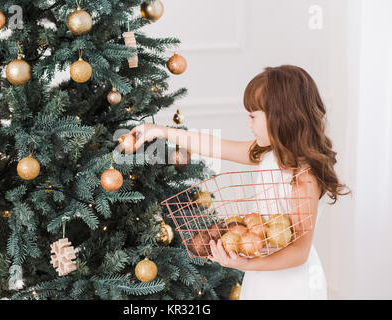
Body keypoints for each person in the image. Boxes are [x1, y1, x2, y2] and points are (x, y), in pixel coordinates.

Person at [130, 65, 351, 299]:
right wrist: (161, 131)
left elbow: (299, 252)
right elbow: (216, 146)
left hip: (290, 283)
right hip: (261, 273)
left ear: (280, 117)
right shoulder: (271, 155)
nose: (248, 123)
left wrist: (245, 264)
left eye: (253, 115)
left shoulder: (304, 175)